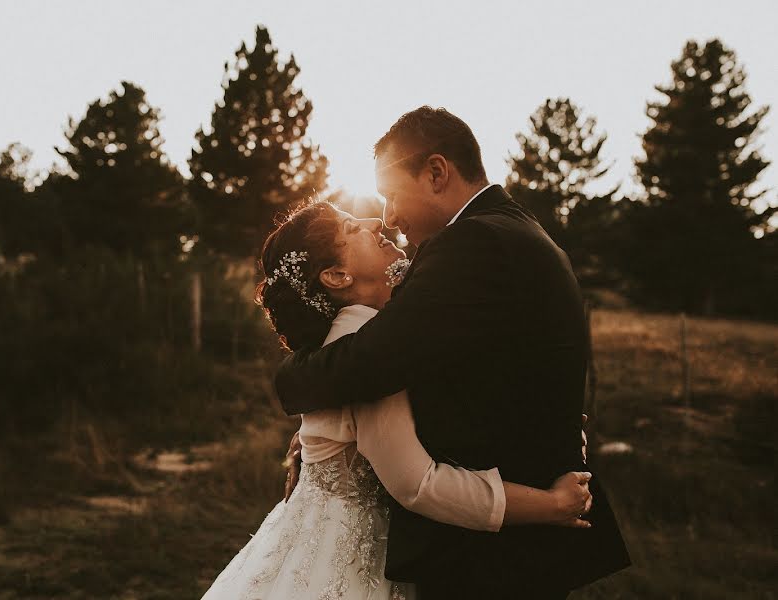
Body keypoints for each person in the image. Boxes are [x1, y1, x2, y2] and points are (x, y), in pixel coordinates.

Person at [275, 107, 631, 599]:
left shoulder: (474, 244)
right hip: (507, 539)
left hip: (496, 555)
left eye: (392, 196)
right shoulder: (511, 228)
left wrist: (292, 381)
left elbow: (371, 362)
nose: (389, 218)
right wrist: (329, 438)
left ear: (437, 173)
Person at [201, 201, 595, 600]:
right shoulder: (365, 351)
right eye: (353, 227)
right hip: (353, 561)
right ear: (337, 275)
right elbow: (417, 483)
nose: (377, 221)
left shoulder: (375, 337)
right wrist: (552, 505)